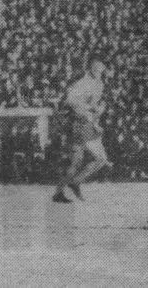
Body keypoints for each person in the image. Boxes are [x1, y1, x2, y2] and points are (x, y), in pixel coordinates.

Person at [52, 55, 112, 203]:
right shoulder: (83, 83)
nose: (98, 70)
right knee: (81, 160)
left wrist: (96, 116)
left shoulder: (99, 83)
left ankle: (71, 184)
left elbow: (92, 105)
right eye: (95, 68)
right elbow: (69, 100)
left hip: (87, 125)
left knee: (98, 160)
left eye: (101, 68)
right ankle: (66, 188)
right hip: (79, 125)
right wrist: (88, 109)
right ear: (90, 68)